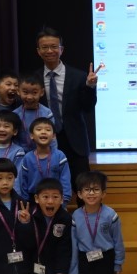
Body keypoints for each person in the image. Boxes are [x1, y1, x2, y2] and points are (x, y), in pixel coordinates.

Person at [36, 27, 100, 194]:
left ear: (61, 49)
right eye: (45, 47)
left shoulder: (79, 76)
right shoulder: (34, 78)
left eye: (54, 46)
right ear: (39, 51)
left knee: (82, 188)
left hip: (74, 141)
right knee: (48, 189)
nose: (49, 51)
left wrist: (90, 87)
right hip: (44, 141)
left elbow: (87, 107)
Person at [18, 117, 71, 203]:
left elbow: (65, 180)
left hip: (55, 199)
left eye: (48, 130)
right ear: (31, 135)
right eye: (39, 129)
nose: (43, 132)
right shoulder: (27, 158)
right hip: (33, 199)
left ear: (53, 136)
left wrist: (64, 201)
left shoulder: (60, 156)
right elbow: (23, 182)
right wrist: (25, 201)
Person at [12, 74, 55, 152]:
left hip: (43, 153)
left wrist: (53, 154)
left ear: (42, 92)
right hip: (21, 154)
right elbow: (13, 138)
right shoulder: (15, 114)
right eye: (25, 92)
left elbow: (52, 138)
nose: (29, 97)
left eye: (34, 92)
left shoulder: (47, 113)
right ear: (18, 91)